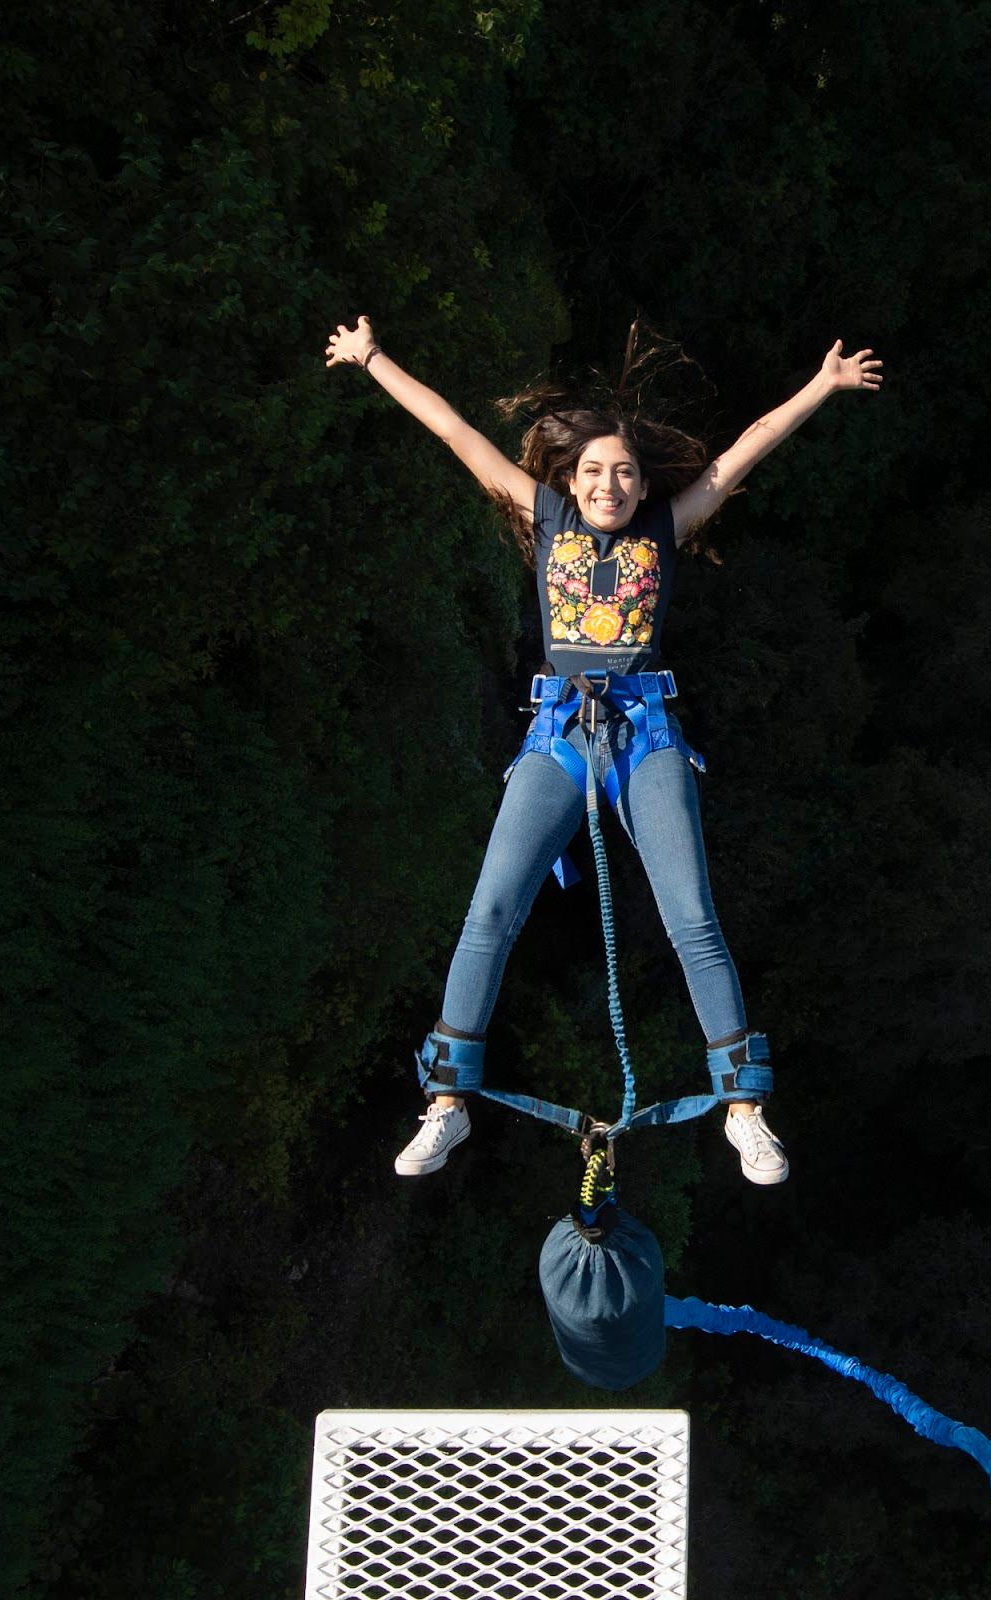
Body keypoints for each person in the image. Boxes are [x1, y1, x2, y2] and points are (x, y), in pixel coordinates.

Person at [323, 315, 883, 1185]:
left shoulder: (665, 528)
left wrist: (823, 384)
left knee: (692, 916)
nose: (610, 483)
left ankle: (744, 1110)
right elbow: (452, 430)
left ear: (641, 481)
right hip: (558, 735)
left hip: (645, 732)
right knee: (491, 912)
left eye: (624, 470)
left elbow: (744, 453)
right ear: (570, 480)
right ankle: (445, 1104)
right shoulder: (542, 516)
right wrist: (371, 360)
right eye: (594, 470)